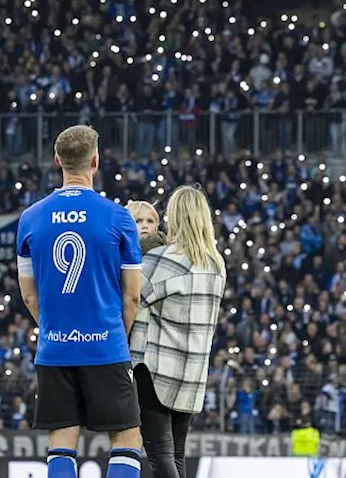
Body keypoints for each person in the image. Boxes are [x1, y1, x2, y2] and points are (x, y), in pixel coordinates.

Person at [17, 125, 145, 478]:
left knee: (62, 438)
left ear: (57, 160)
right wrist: (118, 335)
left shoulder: (30, 218)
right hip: (106, 346)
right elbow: (131, 295)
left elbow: (28, 294)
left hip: (55, 348)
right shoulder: (118, 217)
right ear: (95, 161)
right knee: (126, 436)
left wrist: (55, 329)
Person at [128, 186, 226, 478]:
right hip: (193, 372)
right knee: (177, 454)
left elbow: (130, 298)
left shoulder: (164, 260)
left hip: (158, 371)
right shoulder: (216, 264)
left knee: (159, 453)